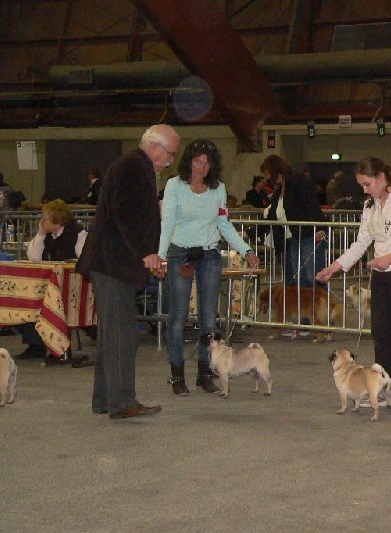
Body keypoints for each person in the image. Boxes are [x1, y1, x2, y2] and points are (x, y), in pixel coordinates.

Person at [77, 123, 180, 420]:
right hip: (112, 264)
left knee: (112, 334)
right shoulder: (133, 166)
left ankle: (104, 399)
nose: (171, 161)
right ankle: (122, 402)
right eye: (170, 154)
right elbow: (125, 214)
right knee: (121, 335)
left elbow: (132, 214)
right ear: (155, 147)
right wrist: (145, 253)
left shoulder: (134, 166)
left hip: (112, 263)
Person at [316, 157, 391, 411]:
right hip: (381, 273)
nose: (364, 190)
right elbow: (361, 243)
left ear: (381, 178)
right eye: (362, 185)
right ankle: (381, 389)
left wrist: (390, 256)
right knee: (380, 333)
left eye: (367, 184)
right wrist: (335, 267)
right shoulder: (370, 207)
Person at [158, 139, 260, 396]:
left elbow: (224, 225)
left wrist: (246, 250)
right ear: (188, 162)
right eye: (198, 162)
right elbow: (167, 223)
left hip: (210, 254)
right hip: (180, 252)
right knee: (178, 316)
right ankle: (177, 374)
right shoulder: (174, 186)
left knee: (208, 317)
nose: (202, 168)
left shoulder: (218, 189)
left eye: (207, 163)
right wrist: (160, 256)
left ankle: (205, 372)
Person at [14, 199, 89, 361]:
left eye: (45, 218)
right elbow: (34, 258)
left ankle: (60, 348)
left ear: (57, 218)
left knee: (53, 299)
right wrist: (40, 235)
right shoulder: (47, 235)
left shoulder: (78, 233)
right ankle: (36, 345)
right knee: (31, 296)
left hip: (72, 285)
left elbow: (83, 259)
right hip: (49, 284)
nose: (42, 221)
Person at [261, 155, 327, 288]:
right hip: (296, 237)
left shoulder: (298, 180)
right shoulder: (280, 190)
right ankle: (303, 308)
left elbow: (312, 205)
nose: (267, 177)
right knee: (300, 280)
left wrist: (320, 228)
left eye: (268, 173)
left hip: (311, 235)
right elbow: (272, 216)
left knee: (313, 278)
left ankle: (322, 307)